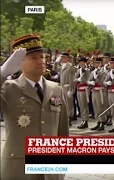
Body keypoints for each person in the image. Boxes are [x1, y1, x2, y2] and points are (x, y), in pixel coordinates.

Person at [0, 34, 68, 179]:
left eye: (42, 57)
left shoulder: (56, 89)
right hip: (19, 169)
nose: (41, 61)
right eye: (34, 58)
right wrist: (2, 74)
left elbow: (62, 131)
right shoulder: (8, 88)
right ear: (20, 63)